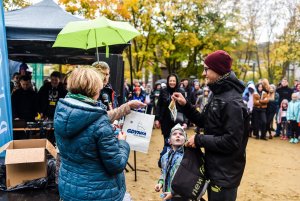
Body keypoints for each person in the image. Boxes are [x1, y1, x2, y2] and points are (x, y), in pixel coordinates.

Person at [172, 50, 248, 201]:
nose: (204, 73)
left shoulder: (232, 102)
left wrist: (199, 140)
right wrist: (186, 105)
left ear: (218, 70)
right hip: (214, 167)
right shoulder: (217, 93)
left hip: (225, 174)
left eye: (206, 69)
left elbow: (232, 141)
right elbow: (204, 121)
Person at [54, 67, 130, 201]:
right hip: (99, 193)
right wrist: (122, 143)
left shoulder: (62, 112)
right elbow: (116, 164)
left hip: (69, 189)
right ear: (94, 89)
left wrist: (126, 107)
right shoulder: (99, 123)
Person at [155, 74, 187, 168]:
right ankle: (165, 160)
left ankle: (177, 162)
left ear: (176, 81)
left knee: (178, 141)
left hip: (177, 121)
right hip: (166, 121)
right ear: (168, 81)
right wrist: (157, 119)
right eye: (170, 80)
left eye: (174, 81)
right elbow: (159, 105)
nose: (172, 82)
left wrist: (185, 121)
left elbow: (185, 107)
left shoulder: (181, 92)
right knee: (167, 141)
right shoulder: (163, 91)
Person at [155, 124, 186, 201]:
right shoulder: (165, 156)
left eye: (181, 134)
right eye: (174, 134)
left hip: (180, 196)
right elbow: (163, 172)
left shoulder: (187, 157)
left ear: (185, 139)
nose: (178, 136)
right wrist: (160, 183)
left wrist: (173, 193)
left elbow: (187, 179)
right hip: (166, 195)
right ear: (169, 140)